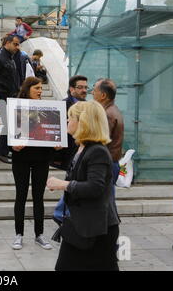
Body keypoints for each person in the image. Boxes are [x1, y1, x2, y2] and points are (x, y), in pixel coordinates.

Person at [47, 101, 120, 271]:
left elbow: (95, 187)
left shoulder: (97, 151)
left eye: (70, 117)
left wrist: (63, 184)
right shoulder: (81, 147)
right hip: (83, 225)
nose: (67, 121)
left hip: (98, 229)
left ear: (83, 122)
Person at [11, 77, 53, 251]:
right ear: (27, 89)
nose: (40, 91)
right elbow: (8, 133)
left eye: (41, 88)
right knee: (20, 196)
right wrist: (12, 145)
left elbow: (51, 132)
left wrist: (56, 145)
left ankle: (39, 235)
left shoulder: (46, 108)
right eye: (36, 88)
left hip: (41, 159)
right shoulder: (15, 107)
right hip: (21, 158)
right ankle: (18, 234)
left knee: (38, 197)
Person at [52, 75, 88, 225]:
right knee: (71, 181)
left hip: (82, 149)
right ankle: (61, 213)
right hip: (67, 151)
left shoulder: (88, 107)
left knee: (73, 182)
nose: (84, 90)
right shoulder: (62, 106)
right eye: (80, 87)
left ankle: (61, 213)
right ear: (71, 89)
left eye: (86, 87)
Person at [0, 35, 22, 164]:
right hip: (0, 96)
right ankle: (0, 151)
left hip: (9, 95)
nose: (18, 47)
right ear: (7, 43)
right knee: (9, 123)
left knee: (11, 123)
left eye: (18, 45)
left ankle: (4, 150)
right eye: (15, 44)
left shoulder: (9, 57)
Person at [92, 78, 124, 199]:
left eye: (94, 91)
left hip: (106, 164)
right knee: (107, 202)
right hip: (111, 163)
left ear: (103, 95)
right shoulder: (112, 110)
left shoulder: (107, 114)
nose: (92, 93)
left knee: (105, 203)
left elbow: (100, 141)